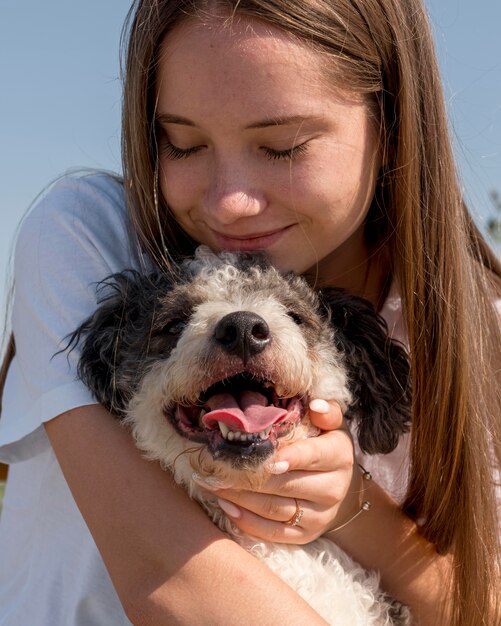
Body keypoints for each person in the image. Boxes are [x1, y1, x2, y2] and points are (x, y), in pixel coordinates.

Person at [0, 0, 500, 624]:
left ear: (393, 125)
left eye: (283, 146)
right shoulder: (90, 238)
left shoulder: (483, 335)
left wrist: (351, 508)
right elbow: (174, 583)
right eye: (182, 144)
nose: (230, 202)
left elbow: (477, 604)